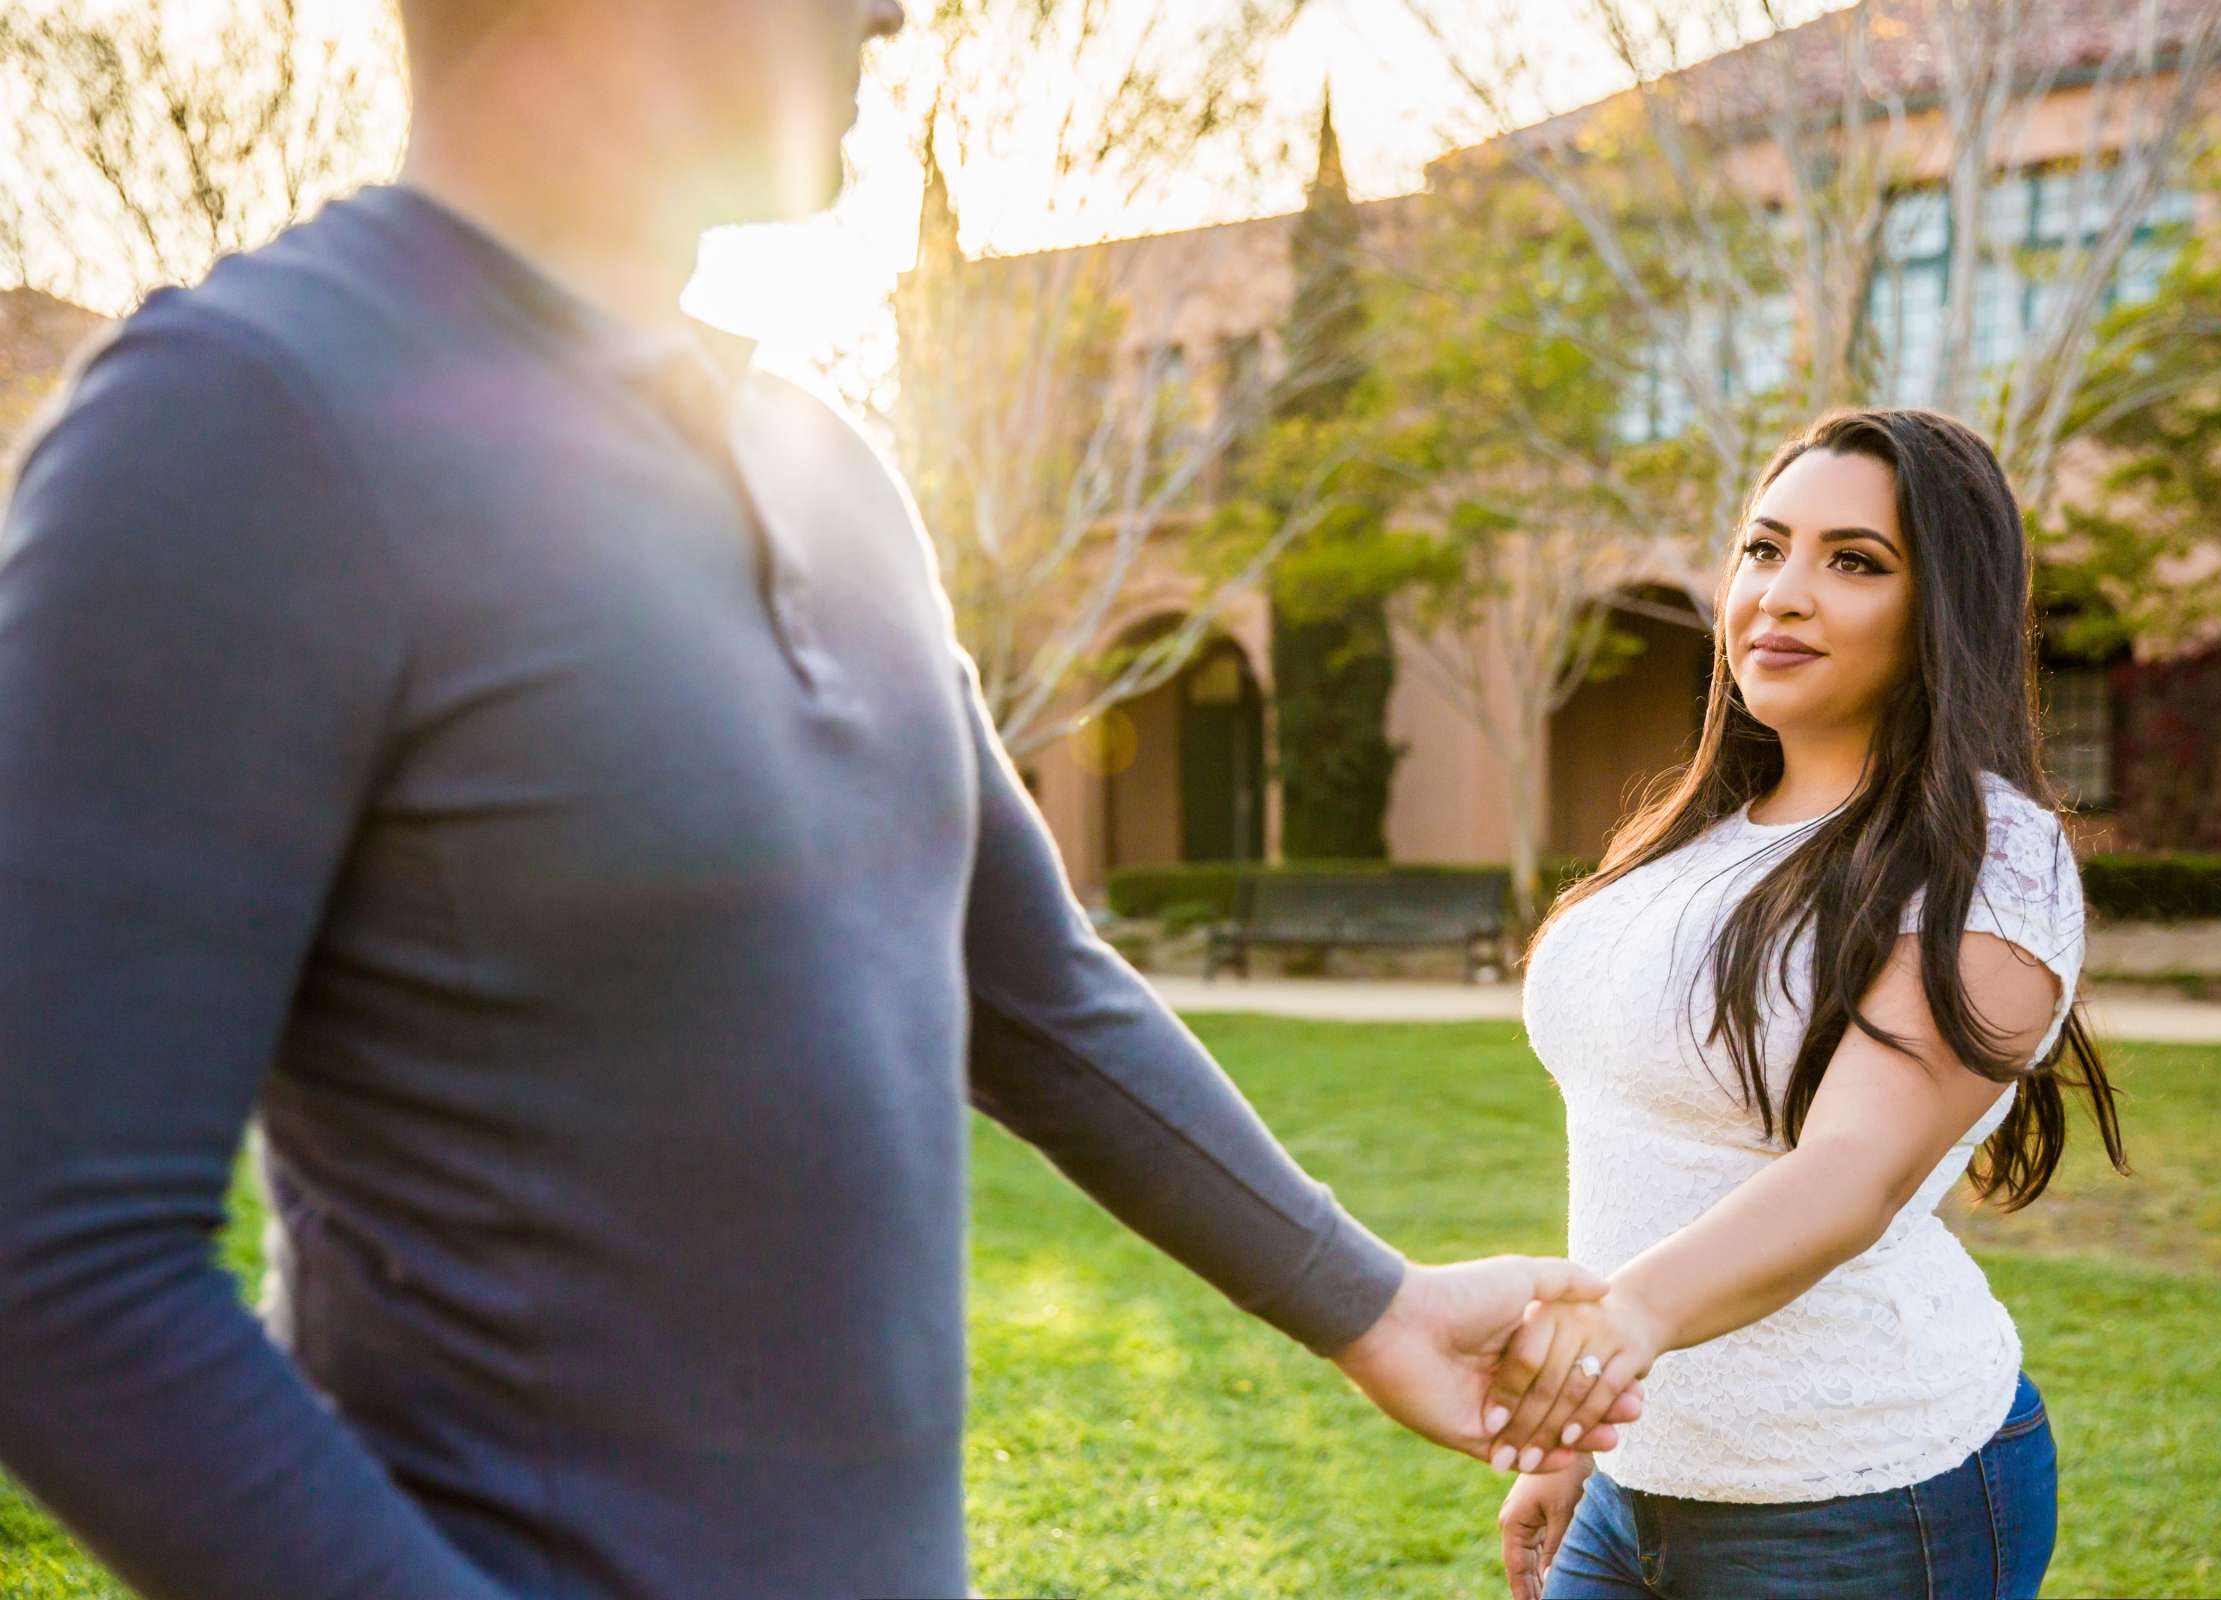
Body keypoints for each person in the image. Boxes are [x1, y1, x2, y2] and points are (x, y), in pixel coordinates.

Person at [0, 3, 1636, 1597]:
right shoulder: (237, 425)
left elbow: (1033, 988)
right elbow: (53, 1256)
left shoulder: (830, 469)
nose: (899, 16)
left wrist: (1368, 1299)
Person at [1473, 409, 2129, 1599]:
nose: (1783, 592)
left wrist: (1606, 1338)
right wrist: (1583, 1426)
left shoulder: (1994, 857)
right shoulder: (1689, 839)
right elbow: (1633, 1155)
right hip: (1633, 1477)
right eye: (1764, 550)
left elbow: (1853, 1173)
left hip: (1864, 1493)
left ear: (1941, 614)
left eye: (1855, 562)